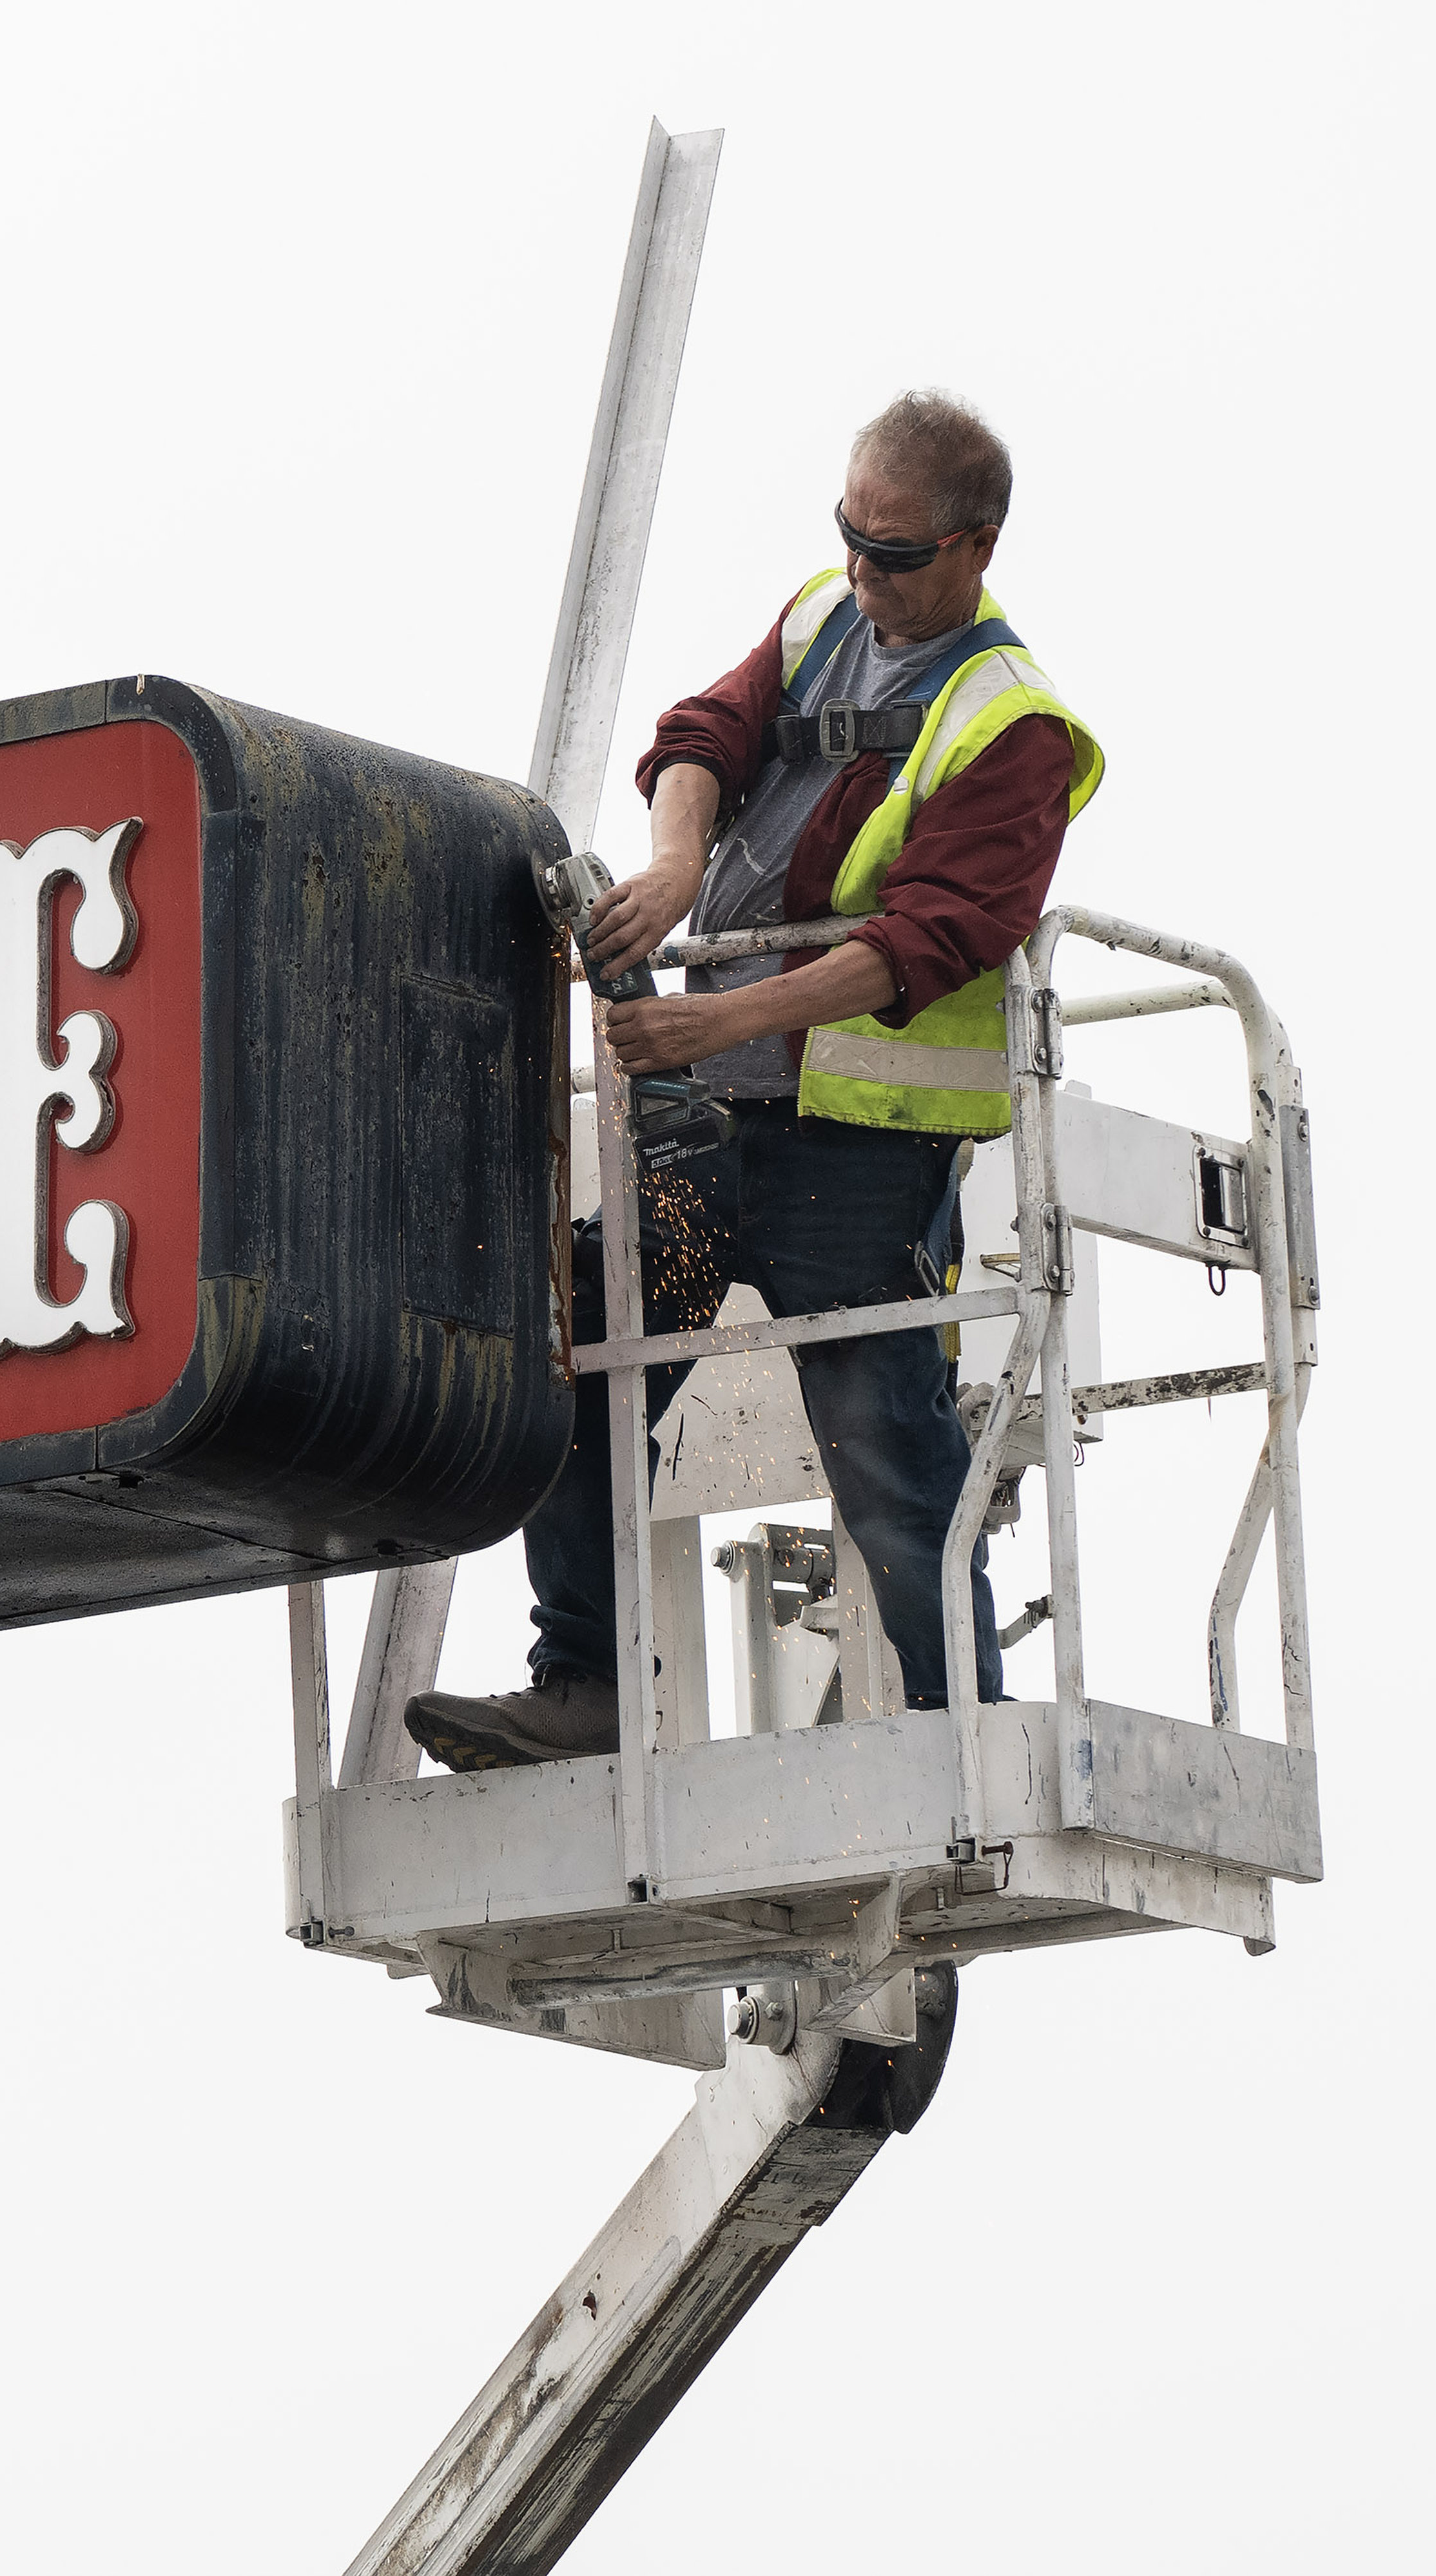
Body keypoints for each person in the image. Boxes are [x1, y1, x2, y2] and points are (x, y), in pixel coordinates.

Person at [406, 390, 1103, 1771]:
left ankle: (963, 1735)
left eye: (893, 554)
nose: (861, 573)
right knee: (584, 1365)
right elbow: (701, 739)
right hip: (714, 1127)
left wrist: (712, 1029)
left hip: (856, 1154)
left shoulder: (1011, 728)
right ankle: (587, 1690)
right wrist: (672, 869)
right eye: (847, 535)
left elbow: (925, 945)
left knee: (885, 1450)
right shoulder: (819, 621)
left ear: (977, 547)